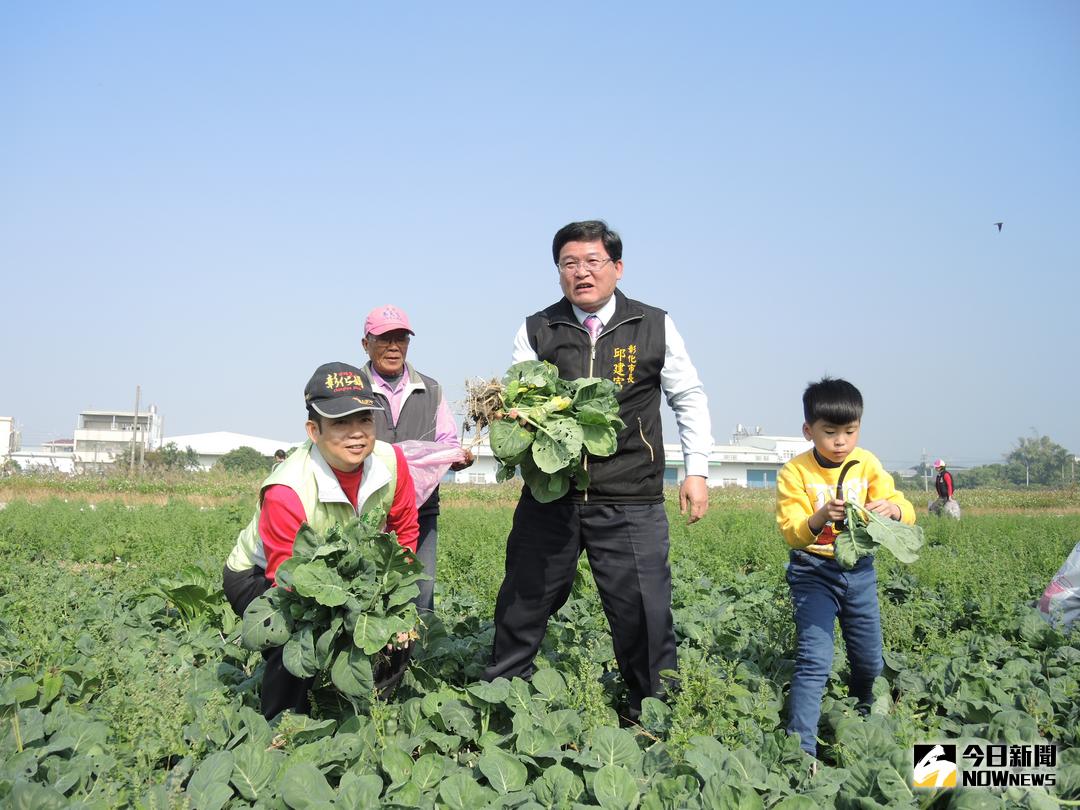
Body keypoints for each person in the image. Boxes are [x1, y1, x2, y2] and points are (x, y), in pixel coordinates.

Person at [483, 219, 713, 722]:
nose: (581, 273)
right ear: (558, 272)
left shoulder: (653, 323)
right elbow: (518, 398)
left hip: (630, 494)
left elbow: (687, 397)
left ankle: (652, 717)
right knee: (523, 602)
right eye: (569, 264)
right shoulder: (536, 328)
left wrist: (696, 469)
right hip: (551, 496)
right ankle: (499, 710)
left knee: (644, 613)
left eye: (593, 262)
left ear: (617, 268)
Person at [222, 362, 420, 719]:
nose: (356, 433)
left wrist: (386, 602)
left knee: (397, 628)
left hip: (343, 575)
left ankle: (374, 713)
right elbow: (288, 577)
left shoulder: (392, 462)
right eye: (340, 423)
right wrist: (351, 609)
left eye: (364, 419)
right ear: (314, 431)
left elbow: (404, 531)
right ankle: (282, 726)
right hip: (261, 575)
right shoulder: (287, 489)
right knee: (293, 638)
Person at [775, 377, 915, 762]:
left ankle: (860, 717)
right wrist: (819, 516)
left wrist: (894, 510)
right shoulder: (794, 473)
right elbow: (792, 532)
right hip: (812, 572)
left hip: (859, 573)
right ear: (809, 430)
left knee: (869, 660)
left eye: (849, 432)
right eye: (830, 432)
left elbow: (901, 504)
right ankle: (800, 750)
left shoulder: (865, 463)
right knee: (814, 659)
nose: (841, 442)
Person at [358, 305, 474, 616]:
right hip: (363, 512)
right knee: (363, 593)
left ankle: (417, 662)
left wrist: (456, 457)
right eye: (384, 338)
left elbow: (447, 442)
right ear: (365, 343)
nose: (394, 347)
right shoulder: (352, 388)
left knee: (419, 594)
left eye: (401, 338)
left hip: (420, 511)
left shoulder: (431, 389)